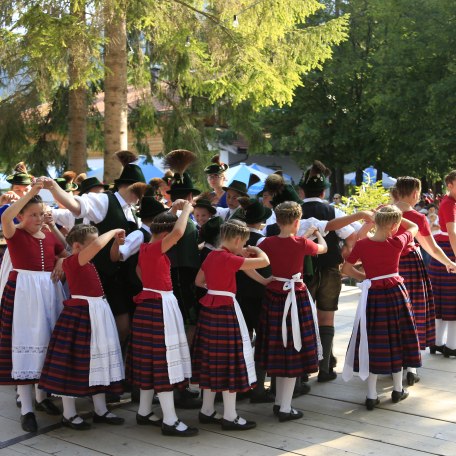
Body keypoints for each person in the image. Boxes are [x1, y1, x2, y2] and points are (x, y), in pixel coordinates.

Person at [40, 151, 146, 347]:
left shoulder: (131, 210)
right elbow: (76, 206)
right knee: (99, 329)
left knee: (123, 326)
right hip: (96, 277)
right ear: (134, 189)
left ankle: (114, 366)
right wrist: (54, 187)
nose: (140, 199)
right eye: (140, 193)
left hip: (119, 278)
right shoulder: (104, 200)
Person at [39, 225, 126, 430]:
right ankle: (69, 414)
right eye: (91, 245)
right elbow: (97, 245)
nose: (97, 248)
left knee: (99, 360)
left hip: (97, 311)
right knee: (73, 361)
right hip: (81, 314)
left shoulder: (85, 261)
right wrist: (112, 231)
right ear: (78, 246)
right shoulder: (74, 260)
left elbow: (109, 253)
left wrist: (115, 241)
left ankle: (100, 409)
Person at [0, 181, 67, 432]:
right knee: (25, 344)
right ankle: (26, 407)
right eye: (33, 215)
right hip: (24, 292)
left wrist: (60, 261)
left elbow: (66, 251)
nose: (38, 219)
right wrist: (30, 193)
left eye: (41, 213)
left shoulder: (48, 235)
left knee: (47, 342)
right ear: (21, 216)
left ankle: (41, 397)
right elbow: (6, 215)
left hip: (48, 292)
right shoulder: (15, 233)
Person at [128, 200, 198, 436]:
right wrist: (187, 209)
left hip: (151, 305)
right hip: (159, 306)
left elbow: (140, 273)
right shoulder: (156, 247)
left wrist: (173, 211)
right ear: (164, 235)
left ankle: (144, 411)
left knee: (151, 362)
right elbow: (178, 232)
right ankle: (169, 420)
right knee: (164, 362)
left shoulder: (146, 248)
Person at [341, 206, 422, 410]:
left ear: (375, 222)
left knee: (372, 341)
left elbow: (346, 268)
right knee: (397, 338)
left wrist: (366, 278)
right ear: (394, 225)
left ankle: (370, 395)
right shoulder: (397, 241)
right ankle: (397, 389)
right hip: (396, 294)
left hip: (373, 296)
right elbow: (414, 226)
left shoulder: (362, 245)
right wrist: (398, 217)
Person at [192, 219, 270, 430]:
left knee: (211, 360)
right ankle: (230, 415)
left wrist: (216, 284)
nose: (244, 247)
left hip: (209, 309)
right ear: (237, 239)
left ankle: (207, 410)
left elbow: (199, 281)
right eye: (243, 243)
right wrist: (255, 250)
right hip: (226, 311)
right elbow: (264, 262)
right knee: (230, 362)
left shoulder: (211, 255)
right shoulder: (229, 258)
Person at [255, 202, 327, 422]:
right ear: (297, 221)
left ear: (276, 221)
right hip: (295, 297)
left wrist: (264, 280)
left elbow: (250, 262)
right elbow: (323, 248)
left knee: (279, 349)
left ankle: (280, 403)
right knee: (292, 350)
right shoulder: (302, 243)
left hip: (273, 296)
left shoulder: (265, 242)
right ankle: (284, 407)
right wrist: (317, 234)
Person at [298, 161, 357, 382]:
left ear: (302, 191)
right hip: (330, 268)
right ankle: (325, 368)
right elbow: (351, 238)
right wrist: (343, 257)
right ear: (324, 191)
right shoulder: (334, 210)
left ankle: (302, 368)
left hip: (302, 272)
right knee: (326, 317)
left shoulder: (293, 211)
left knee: (302, 318)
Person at [393, 177, 456, 383]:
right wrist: (450, 263)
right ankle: (411, 367)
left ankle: (392, 362)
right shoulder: (417, 217)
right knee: (414, 315)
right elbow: (432, 248)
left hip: (388, 267)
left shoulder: (383, 211)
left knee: (392, 316)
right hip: (411, 266)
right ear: (414, 194)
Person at [235, 197, 274, 403]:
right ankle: (258, 387)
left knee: (242, 341)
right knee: (261, 341)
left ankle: (241, 385)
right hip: (259, 296)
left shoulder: (236, 240)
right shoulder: (263, 242)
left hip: (237, 296)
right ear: (260, 222)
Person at [428, 170, 456, 357]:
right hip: (449, 252)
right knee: (451, 302)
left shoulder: (450, 203)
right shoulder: (449, 204)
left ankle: (438, 343)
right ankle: (451, 347)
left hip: (445, 252)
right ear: (450, 185)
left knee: (444, 302)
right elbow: (452, 233)